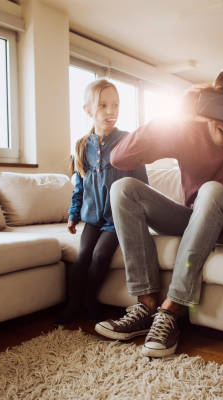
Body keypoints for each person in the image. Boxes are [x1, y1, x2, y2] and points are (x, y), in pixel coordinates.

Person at [94, 62, 223, 357]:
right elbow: (119, 158)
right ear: (208, 100)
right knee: (123, 189)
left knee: (211, 190)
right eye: (220, 106)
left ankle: (173, 310)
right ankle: (147, 304)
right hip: (195, 219)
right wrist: (172, 117)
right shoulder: (187, 127)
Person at [57, 79, 148, 324]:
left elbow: (143, 186)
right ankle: (72, 305)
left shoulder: (128, 141)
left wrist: (142, 216)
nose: (111, 111)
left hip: (117, 219)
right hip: (92, 219)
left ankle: (89, 302)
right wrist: (73, 214)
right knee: (83, 254)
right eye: (103, 106)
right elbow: (80, 186)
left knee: (99, 256)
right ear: (88, 110)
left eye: (116, 105)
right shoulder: (82, 146)